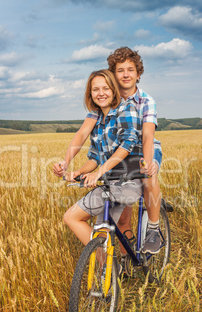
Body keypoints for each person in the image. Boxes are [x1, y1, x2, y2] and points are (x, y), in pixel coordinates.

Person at [53, 47, 162, 255]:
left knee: (148, 177)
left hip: (141, 152)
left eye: (131, 70)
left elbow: (146, 137)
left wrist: (147, 163)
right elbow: (85, 137)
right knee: (122, 218)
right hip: (115, 163)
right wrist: (69, 164)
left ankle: (154, 230)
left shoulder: (143, 102)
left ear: (138, 74)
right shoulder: (104, 102)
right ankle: (120, 261)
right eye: (120, 70)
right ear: (114, 75)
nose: (126, 75)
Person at [63, 69, 143, 253]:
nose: (100, 93)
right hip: (109, 184)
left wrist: (98, 172)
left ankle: (110, 269)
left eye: (105, 88)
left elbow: (128, 143)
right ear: (90, 93)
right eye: (95, 89)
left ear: (114, 90)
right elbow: (95, 158)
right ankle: (109, 271)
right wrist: (80, 172)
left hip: (128, 182)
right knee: (90, 226)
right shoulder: (98, 120)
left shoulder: (126, 109)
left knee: (87, 223)